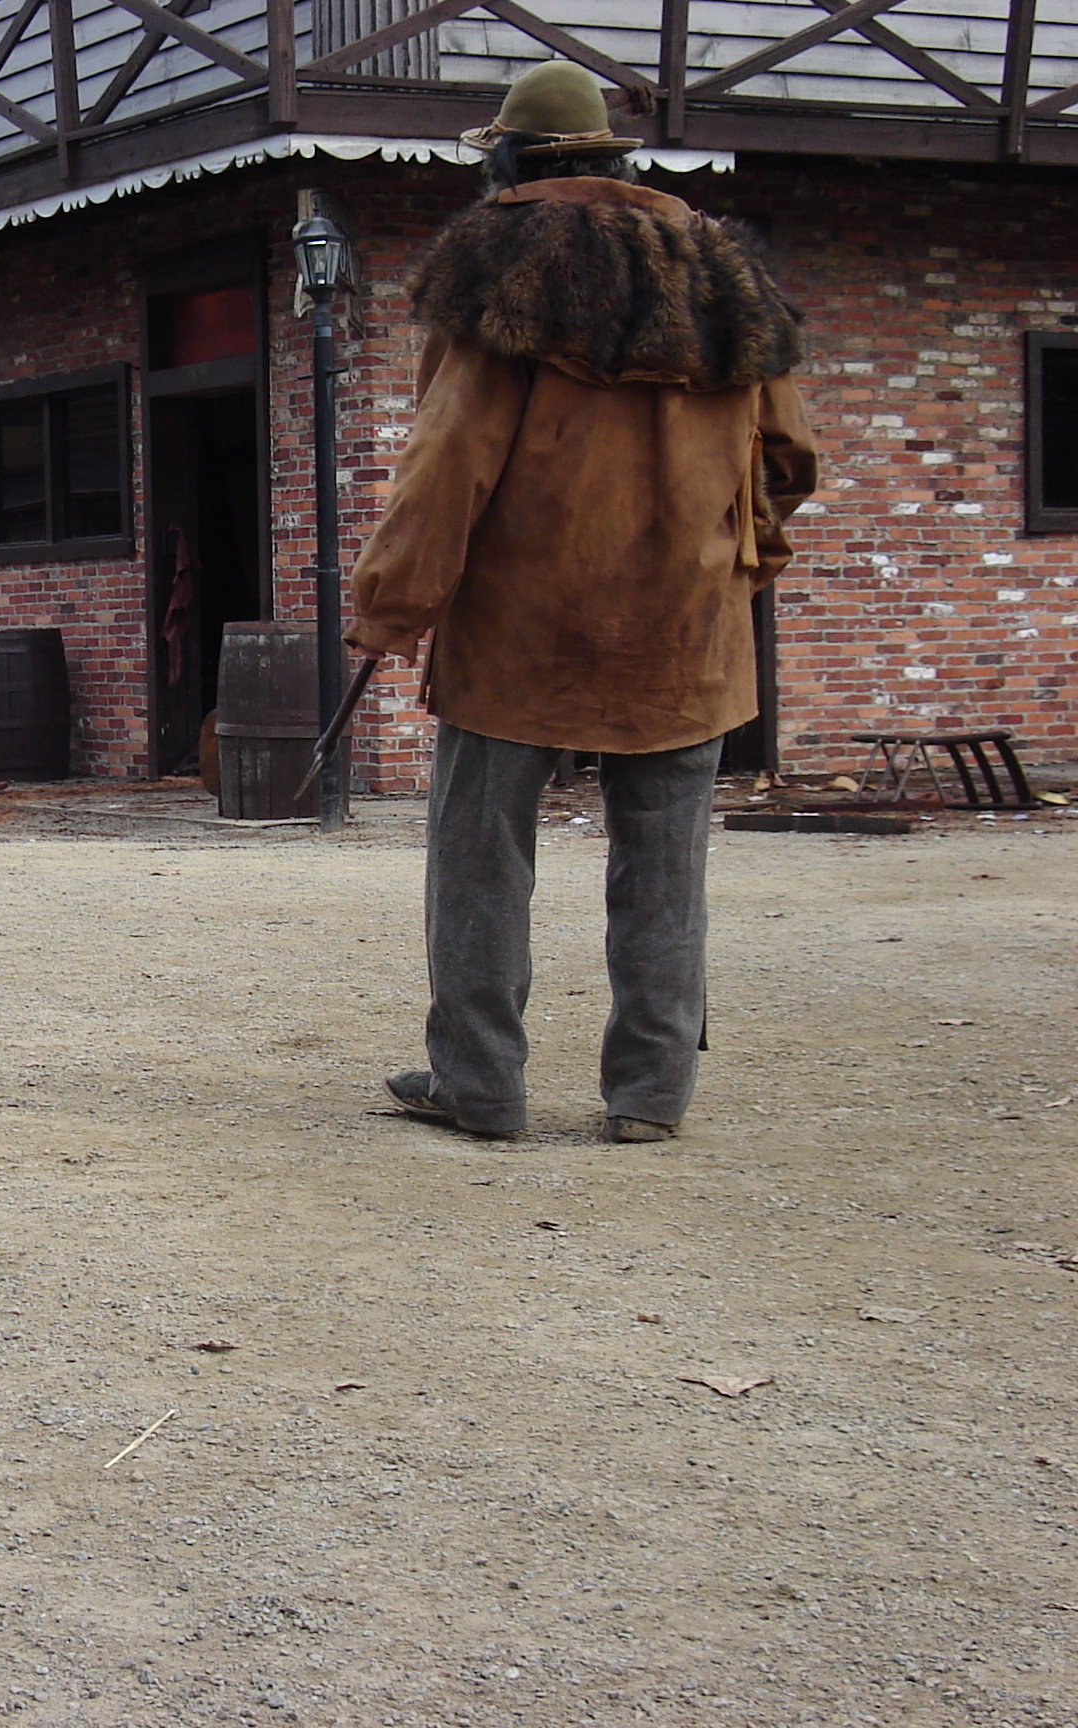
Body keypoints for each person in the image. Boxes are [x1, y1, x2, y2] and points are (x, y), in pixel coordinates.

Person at [346, 61, 819, 1144]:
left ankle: (479, 1082)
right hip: (686, 626)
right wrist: (724, 547)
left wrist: (391, 605)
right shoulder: (722, 270)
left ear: (511, 157)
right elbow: (790, 457)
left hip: (524, 621)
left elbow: (448, 461)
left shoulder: (496, 265)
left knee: (480, 851)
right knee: (665, 862)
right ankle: (650, 1097)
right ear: (606, 154)